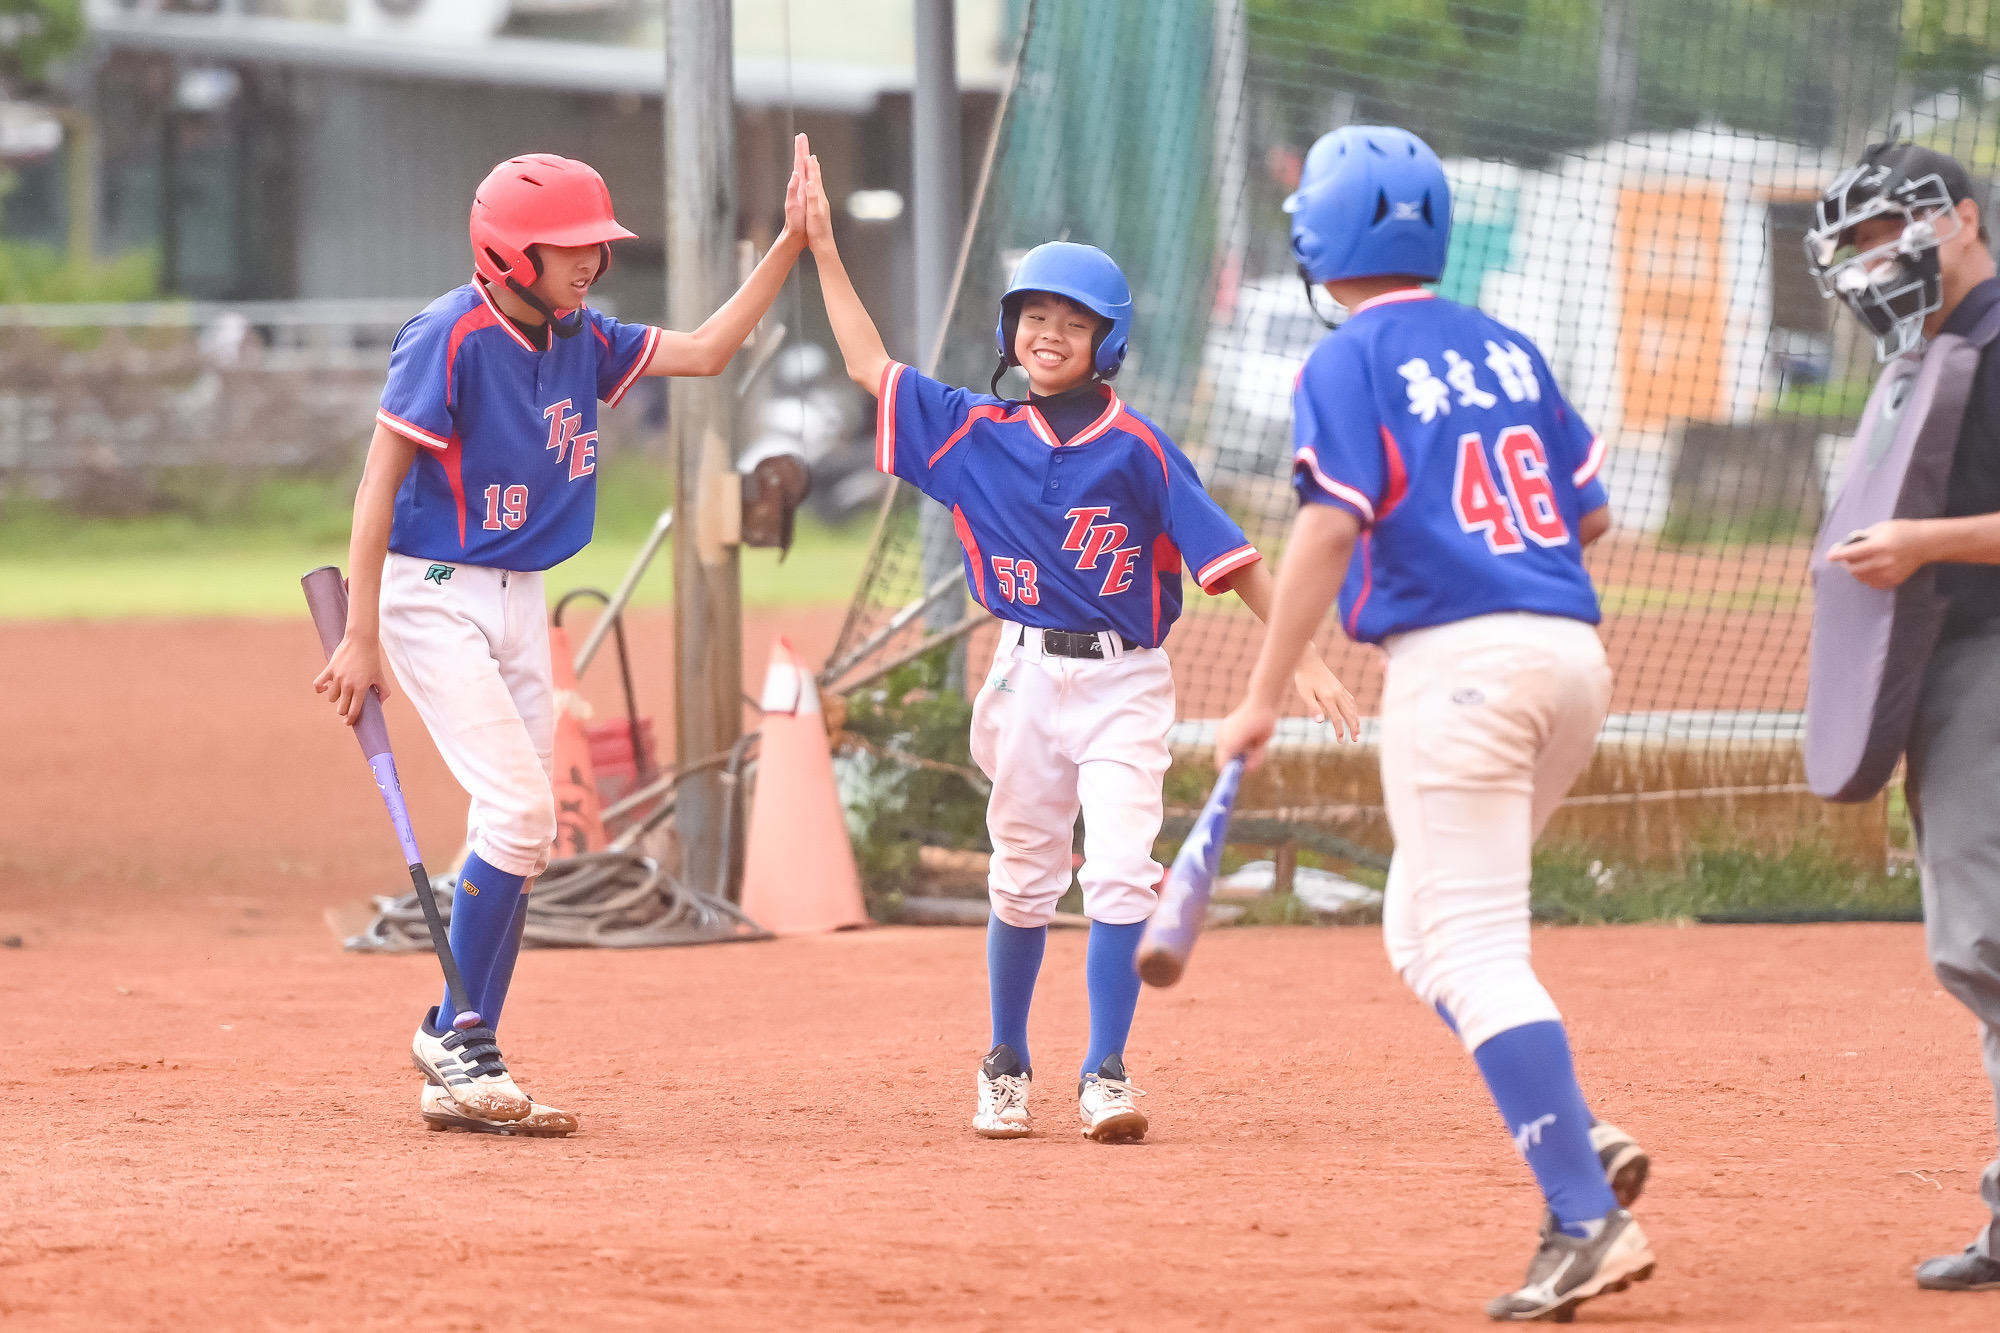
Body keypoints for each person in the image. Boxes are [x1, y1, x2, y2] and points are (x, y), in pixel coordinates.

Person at [798, 152, 1360, 1142]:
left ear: (1107, 343)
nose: (1047, 335)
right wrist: (823, 251)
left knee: (1117, 870)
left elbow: (1229, 560)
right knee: (1018, 874)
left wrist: (1302, 654)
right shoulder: (973, 432)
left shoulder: (1136, 448)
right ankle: (1005, 1059)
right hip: (1021, 675)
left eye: (1071, 322)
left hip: (1122, 683)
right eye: (1033, 317)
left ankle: (1104, 1070)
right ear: (1010, 333)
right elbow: (866, 368)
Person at [1212, 126, 1653, 1321]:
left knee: (1470, 949)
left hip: (1455, 668)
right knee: (1419, 924)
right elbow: (1591, 514)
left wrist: (1262, 690)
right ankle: (1565, 1125)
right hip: (1570, 660)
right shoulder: (1504, 345)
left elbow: (1325, 526)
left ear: (1317, 239)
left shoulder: (1347, 357)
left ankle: (1580, 1213)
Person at [313, 139, 810, 1136]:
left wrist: (793, 243)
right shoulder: (446, 337)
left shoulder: (582, 336)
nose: (589, 261)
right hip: (435, 592)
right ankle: (463, 1040)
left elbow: (709, 351)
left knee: (525, 832)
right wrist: (360, 633)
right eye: (567, 245)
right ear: (508, 253)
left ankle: (455, 1045)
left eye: (596, 244)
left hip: (519, 596)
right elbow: (377, 487)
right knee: (519, 805)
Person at [1810, 140, 2000, 1294]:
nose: (1869, 261)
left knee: (1977, 941)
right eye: (1856, 244)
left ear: (1959, 221)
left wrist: (1919, 547)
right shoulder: (1928, 357)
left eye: (1886, 232)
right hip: (1952, 659)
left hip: (1985, 654)